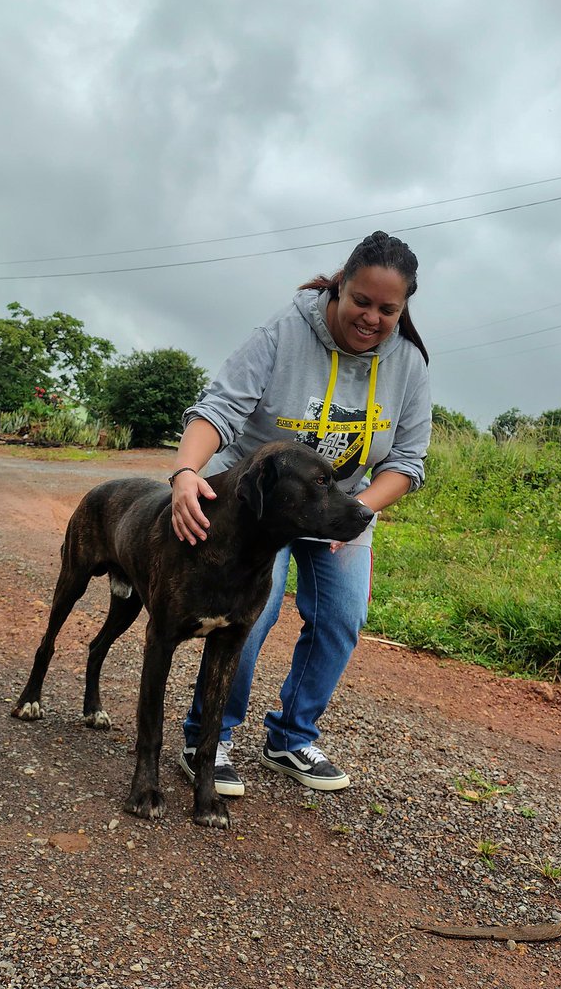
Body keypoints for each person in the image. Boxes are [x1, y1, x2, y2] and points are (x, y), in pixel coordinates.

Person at [170, 230, 432, 796]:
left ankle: (290, 737)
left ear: (403, 308)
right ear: (340, 286)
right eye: (361, 300)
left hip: (342, 504)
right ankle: (208, 739)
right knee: (249, 617)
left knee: (340, 619)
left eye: (388, 309)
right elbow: (219, 408)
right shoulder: (283, 332)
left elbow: (408, 461)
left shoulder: (408, 365)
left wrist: (357, 509)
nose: (371, 317)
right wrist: (187, 472)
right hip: (262, 502)